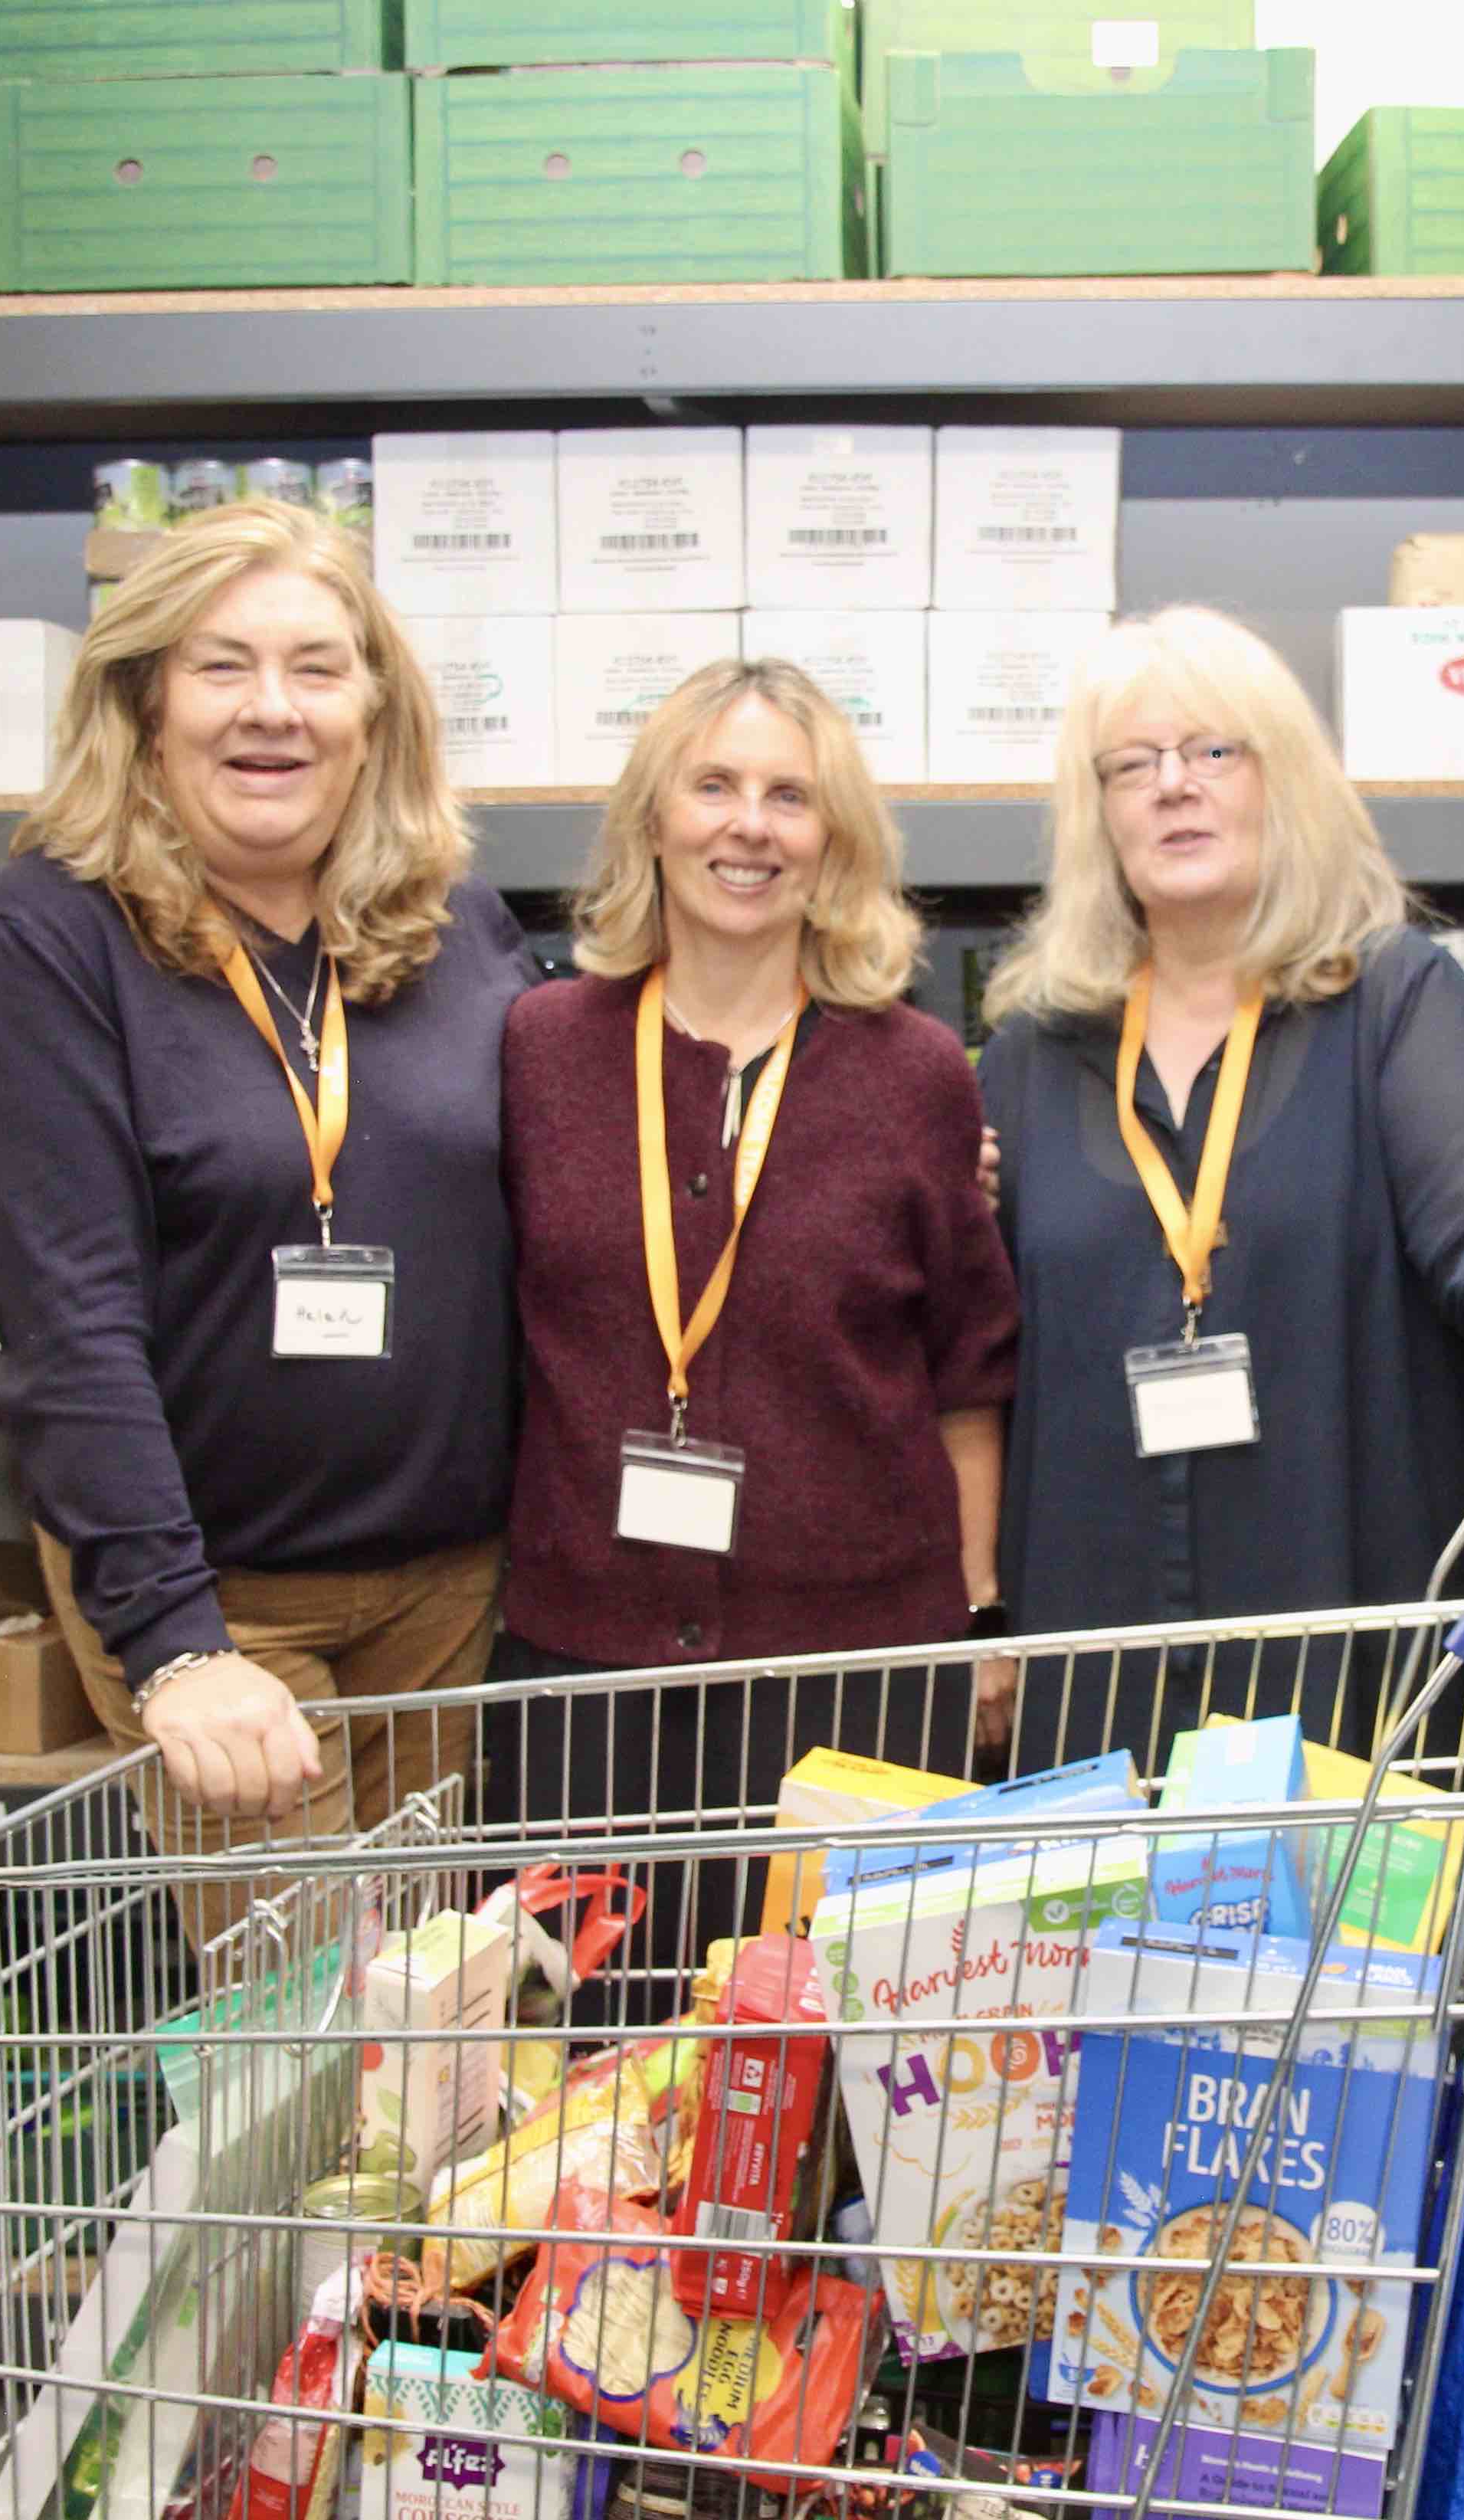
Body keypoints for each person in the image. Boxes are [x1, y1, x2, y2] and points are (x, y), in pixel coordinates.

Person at [978, 602, 1464, 1764]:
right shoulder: (1027, 1052)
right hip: (1098, 1647)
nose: (1173, 785)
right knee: (1116, 1948)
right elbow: (974, 1344)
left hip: (1351, 1632)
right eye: (1133, 763)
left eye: (1213, 751)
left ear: (1285, 783)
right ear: (1094, 811)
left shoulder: (1393, 1000)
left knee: (1352, 1944)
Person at [0, 500, 537, 1837]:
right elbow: (68, 1317)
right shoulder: (48, 935)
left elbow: (586, 1171)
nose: (270, 709)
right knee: (297, 2026)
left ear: (374, 714)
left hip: (447, 1589)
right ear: (145, 702)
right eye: (221, 666)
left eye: (316, 669)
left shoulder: (457, 925)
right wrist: (173, 1638)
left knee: (425, 2010)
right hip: (217, 1604)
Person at [489, 656, 1020, 1991]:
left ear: (832, 840)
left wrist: (975, 1612)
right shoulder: (540, 1050)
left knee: (851, 2078)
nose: (748, 825)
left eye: (790, 795)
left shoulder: (916, 1071)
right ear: (651, 819)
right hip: (585, 1680)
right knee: (589, 2076)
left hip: (859, 1677)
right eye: (712, 784)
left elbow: (966, 1372)